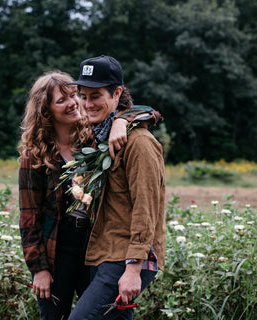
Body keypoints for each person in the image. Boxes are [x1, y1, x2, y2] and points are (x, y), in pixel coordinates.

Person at [67, 55, 166, 320]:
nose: (88, 104)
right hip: (104, 252)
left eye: (96, 95)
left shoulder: (139, 143)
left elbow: (147, 207)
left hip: (126, 257)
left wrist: (133, 269)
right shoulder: (100, 134)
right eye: (83, 96)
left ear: (117, 92)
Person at [18, 70, 97, 320]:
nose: (73, 103)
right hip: (57, 249)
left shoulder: (95, 143)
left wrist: (119, 123)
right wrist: (39, 270)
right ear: (46, 110)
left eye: (74, 95)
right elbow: (29, 219)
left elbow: (137, 112)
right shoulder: (34, 157)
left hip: (93, 245)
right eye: (61, 100)